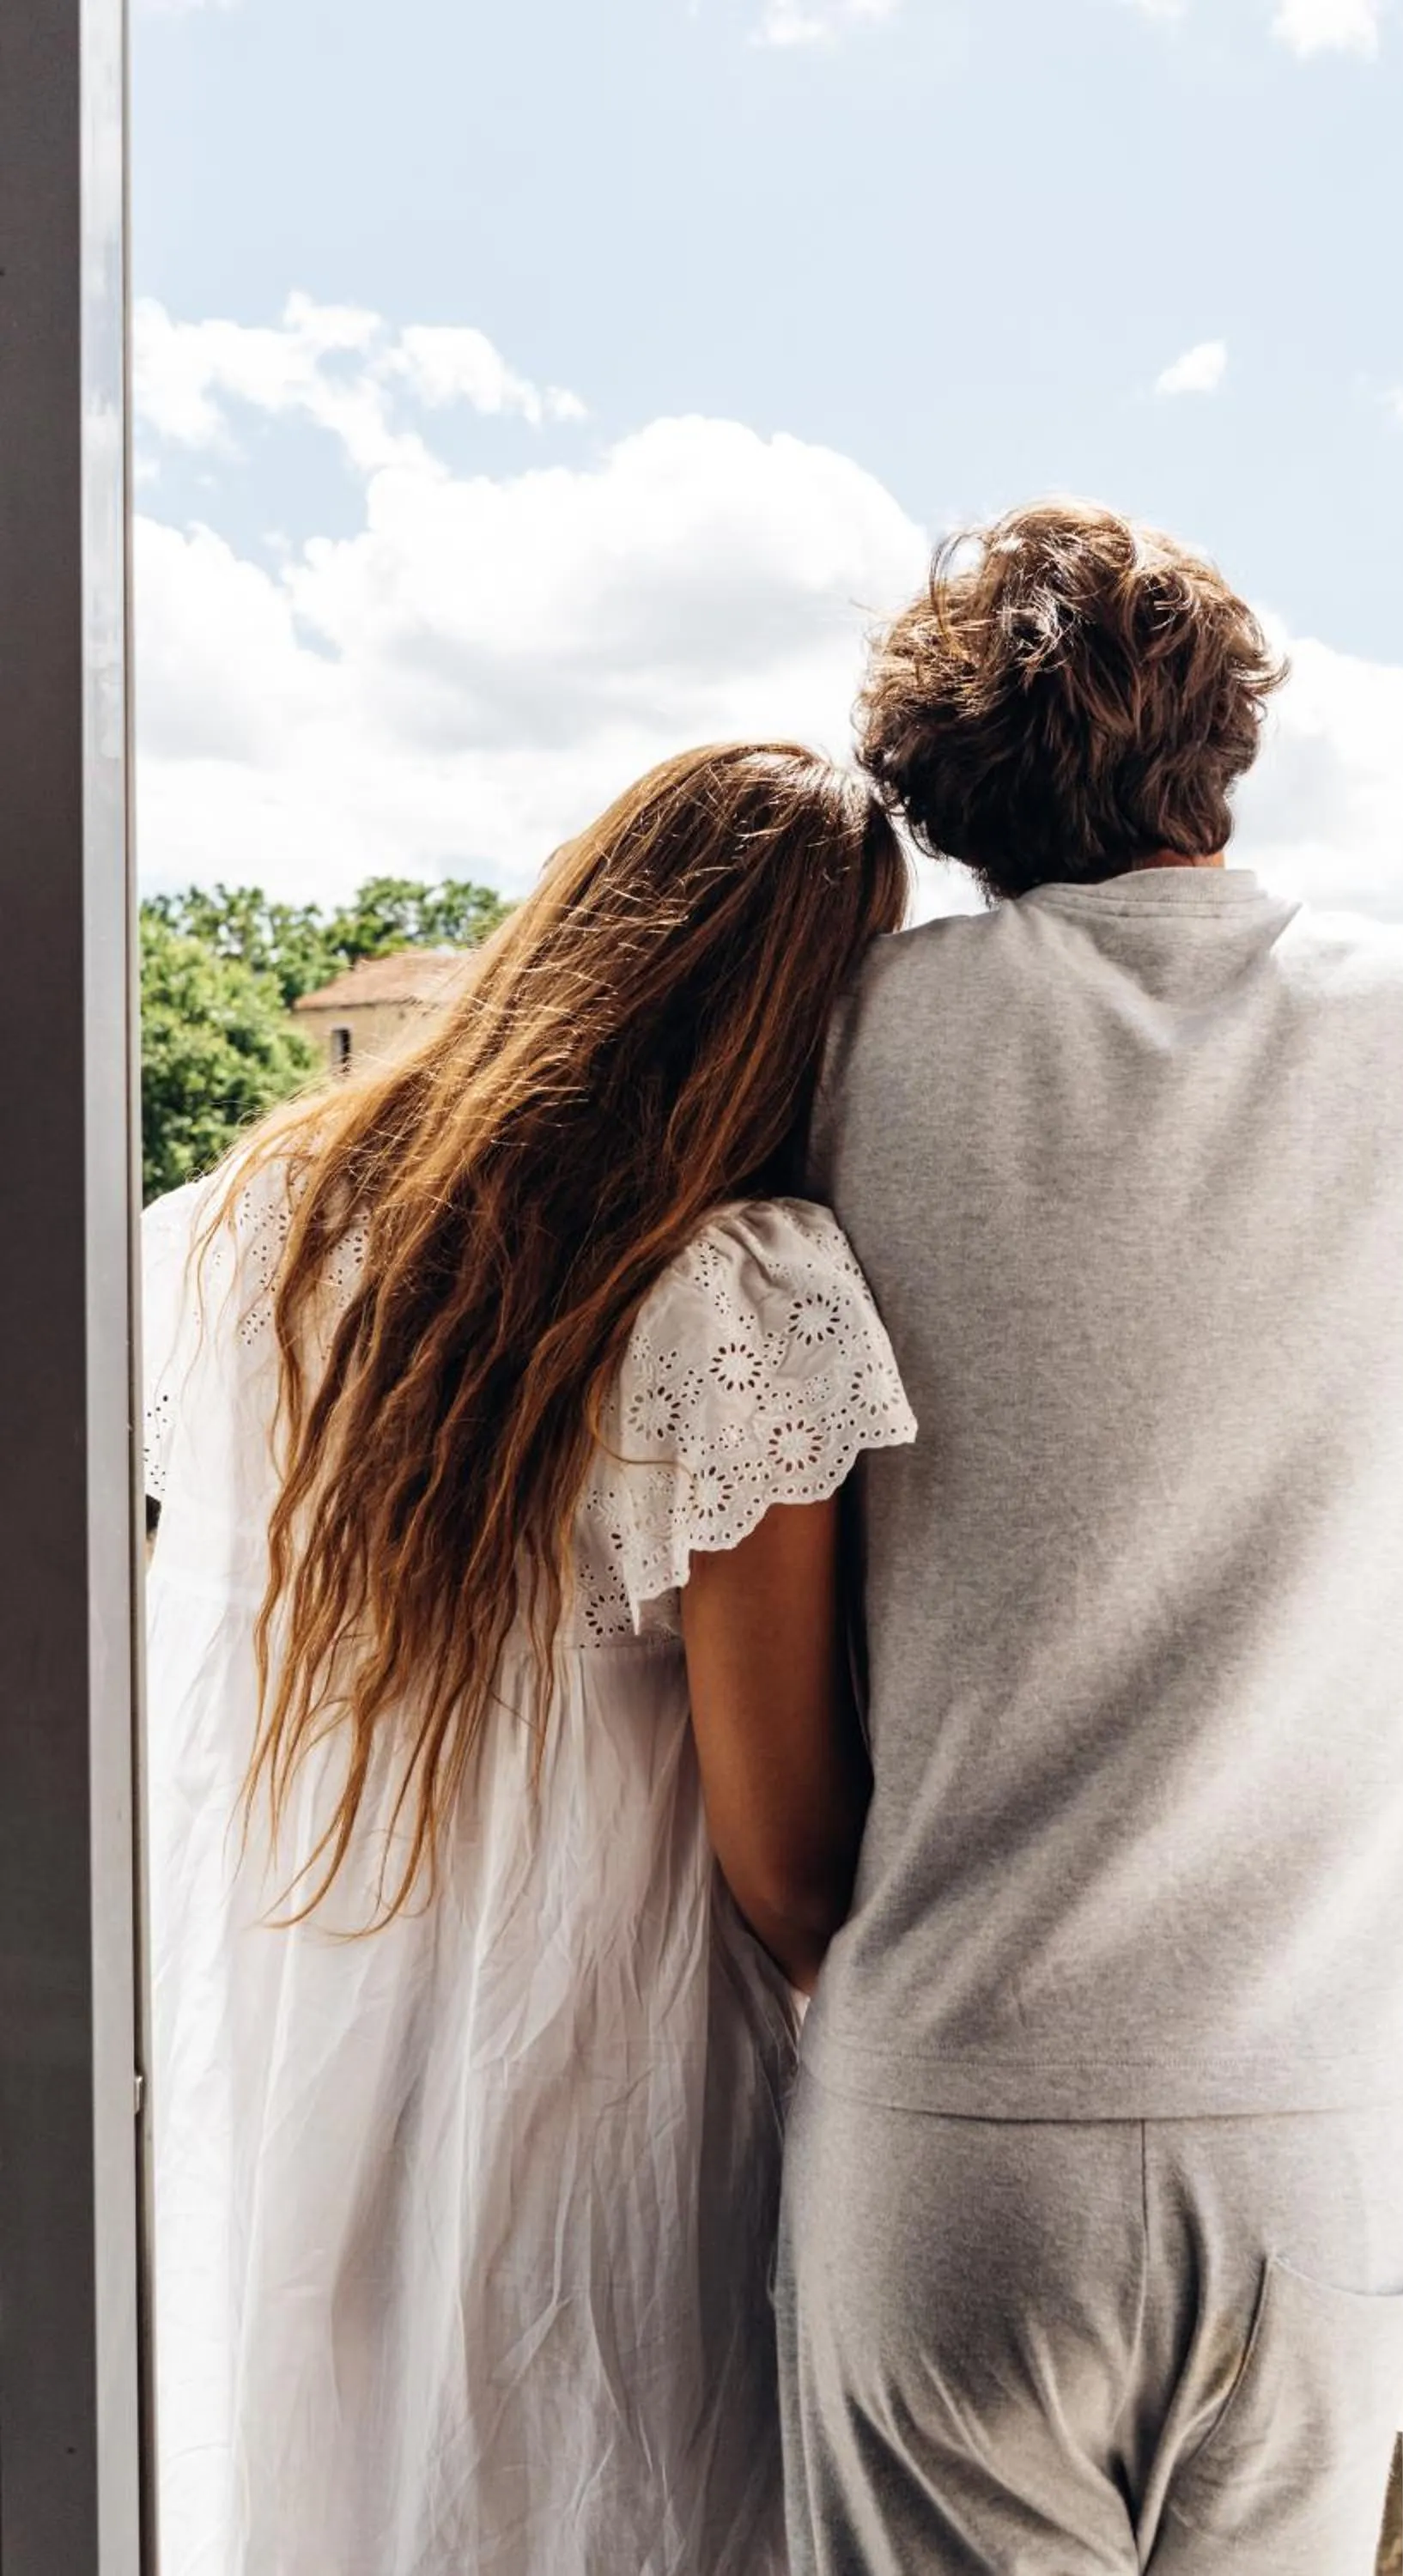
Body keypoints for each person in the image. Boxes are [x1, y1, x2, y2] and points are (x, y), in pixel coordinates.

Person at [778, 506, 1403, 2576]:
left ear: (946, 800)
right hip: (1317, 2104)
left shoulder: (853, 1047)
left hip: (953, 2112)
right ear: (1230, 733)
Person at [141, 744, 917, 2576]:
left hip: (298, 2061)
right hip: (600, 2110)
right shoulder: (731, 1294)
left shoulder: (262, 1220)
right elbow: (789, 1863)